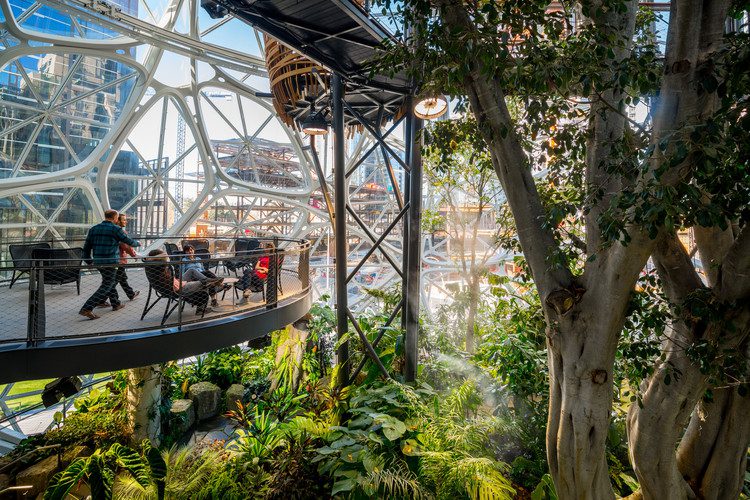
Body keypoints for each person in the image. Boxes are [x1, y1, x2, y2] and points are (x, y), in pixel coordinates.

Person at [80, 209, 140, 320]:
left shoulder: (94, 229)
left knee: (109, 282)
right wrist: (138, 243)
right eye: (117, 217)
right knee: (107, 285)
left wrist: (89, 261)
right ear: (115, 218)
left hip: (98, 262)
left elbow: (86, 248)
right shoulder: (115, 229)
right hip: (111, 262)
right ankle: (87, 308)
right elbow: (128, 241)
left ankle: (116, 303)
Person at [145, 249, 211, 315]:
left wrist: (150, 257)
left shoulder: (150, 265)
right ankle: (200, 309)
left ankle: (210, 280)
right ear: (159, 257)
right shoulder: (160, 266)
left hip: (174, 284)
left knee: (191, 271)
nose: (166, 255)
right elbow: (164, 257)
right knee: (203, 283)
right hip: (176, 289)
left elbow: (145, 257)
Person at [98, 213, 139, 307]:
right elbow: (126, 246)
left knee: (121, 279)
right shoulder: (119, 231)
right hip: (119, 260)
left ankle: (131, 294)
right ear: (117, 220)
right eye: (124, 220)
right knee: (112, 282)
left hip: (114, 260)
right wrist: (134, 254)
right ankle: (104, 301)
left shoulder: (111, 230)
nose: (126, 221)